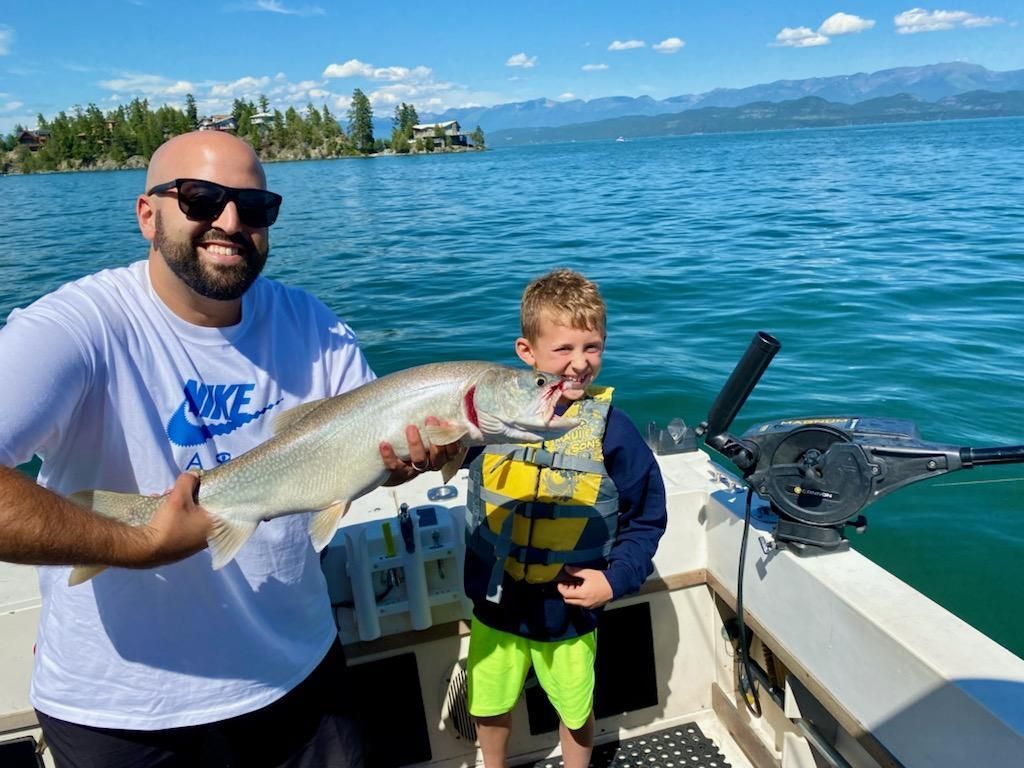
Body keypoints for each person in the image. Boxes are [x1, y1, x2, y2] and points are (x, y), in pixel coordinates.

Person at [0, 130, 455, 767]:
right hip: (126, 714)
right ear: (147, 214)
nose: (230, 221)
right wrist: (137, 543)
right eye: (201, 198)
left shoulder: (313, 325)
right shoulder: (77, 328)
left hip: (298, 676)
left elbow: (366, 452)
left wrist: (411, 461)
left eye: (254, 206)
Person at [462, 268, 667, 768]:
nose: (579, 364)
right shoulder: (490, 421)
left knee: (575, 709)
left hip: (569, 608)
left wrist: (614, 580)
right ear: (526, 351)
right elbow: (435, 457)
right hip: (496, 602)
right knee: (489, 705)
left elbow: (647, 520)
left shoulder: (614, 432)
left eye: (592, 347)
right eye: (563, 350)